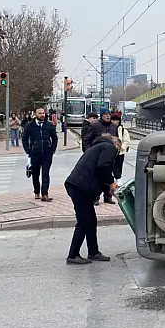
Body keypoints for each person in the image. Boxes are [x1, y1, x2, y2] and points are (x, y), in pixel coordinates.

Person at [65, 134, 120, 265]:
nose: (118, 152)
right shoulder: (109, 147)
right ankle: (73, 255)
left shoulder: (98, 147)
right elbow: (103, 166)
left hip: (79, 186)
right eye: (119, 149)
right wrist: (111, 182)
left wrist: (108, 187)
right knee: (84, 222)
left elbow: (99, 170)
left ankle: (93, 252)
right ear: (116, 144)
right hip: (81, 187)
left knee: (90, 221)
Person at [22, 108, 58, 202]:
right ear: (35, 114)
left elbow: (54, 138)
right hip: (35, 153)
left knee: (45, 173)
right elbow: (24, 139)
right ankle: (37, 191)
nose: (42, 115)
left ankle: (45, 193)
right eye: (40, 113)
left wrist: (52, 150)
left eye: (43, 113)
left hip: (47, 153)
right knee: (35, 174)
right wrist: (28, 151)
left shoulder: (49, 125)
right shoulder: (30, 126)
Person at [83, 108, 118, 205]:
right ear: (102, 115)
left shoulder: (113, 126)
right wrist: (88, 151)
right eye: (105, 114)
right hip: (97, 155)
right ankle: (95, 197)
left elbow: (116, 139)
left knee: (108, 174)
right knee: (96, 177)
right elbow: (86, 139)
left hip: (109, 155)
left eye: (109, 114)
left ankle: (108, 196)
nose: (107, 116)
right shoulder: (95, 126)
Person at [110, 114, 131, 184]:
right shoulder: (108, 128)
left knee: (119, 165)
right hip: (110, 151)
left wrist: (122, 147)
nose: (115, 122)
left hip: (120, 151)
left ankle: (118, 178)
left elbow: (126, 140)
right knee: (112, 165)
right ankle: (116, 177)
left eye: (116, 120)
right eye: (113, 120)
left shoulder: (122, 130)